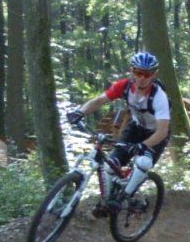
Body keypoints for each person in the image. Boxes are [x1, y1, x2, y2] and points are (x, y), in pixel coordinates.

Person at [67, 51, 171, 216]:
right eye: (138, 72)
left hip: (155, 135)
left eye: (147, 74)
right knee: (110, 165)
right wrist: (80, 112)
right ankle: (107, 203)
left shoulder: (159, 97)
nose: (142, 78)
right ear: (132, 71)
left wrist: (143, 145)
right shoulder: (124, 86)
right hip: (135, 129)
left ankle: (125, 197)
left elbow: (163, 131)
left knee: (143, 162)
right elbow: (99, 100)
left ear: (153, 75)